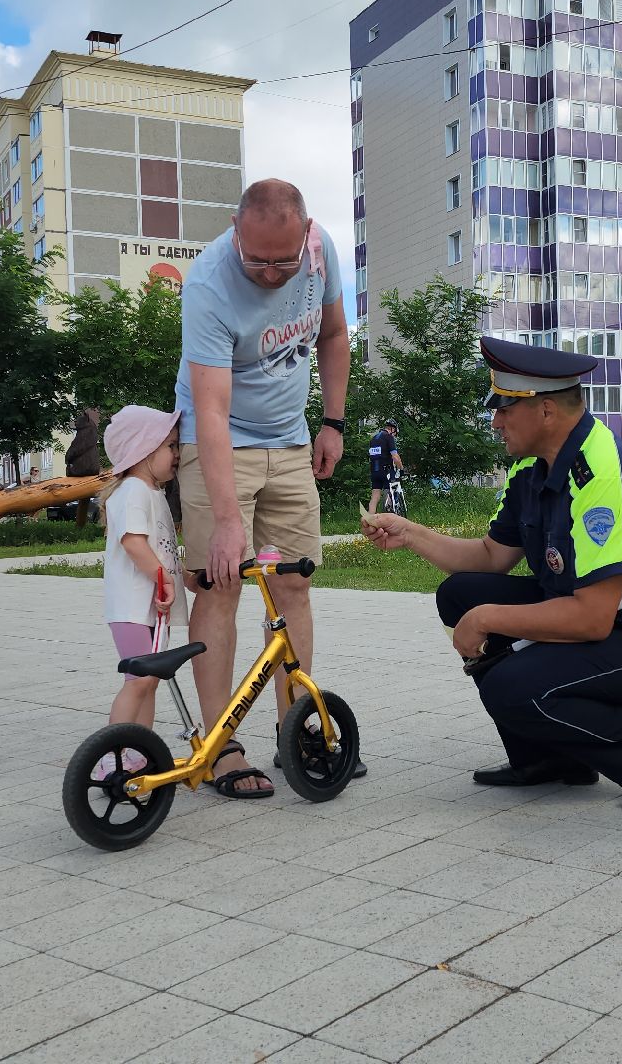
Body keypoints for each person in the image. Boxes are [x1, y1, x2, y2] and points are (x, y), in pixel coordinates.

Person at [361, 338, 622, 810]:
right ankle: (550, 757)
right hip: (607, 620)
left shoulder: (601, 474)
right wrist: (410, 533)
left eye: (505, 408)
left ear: (546, 411)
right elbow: (492, 556)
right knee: (460, 595)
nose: (495, 421)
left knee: (510, 686)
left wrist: (489, 618)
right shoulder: (532, 466)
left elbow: (593, 618)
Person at [173, 178, 357, 797]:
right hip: (220, 447)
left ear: (305, 234)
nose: (273, 272)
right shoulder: (208, 286)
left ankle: (295, 732)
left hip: (290, 444)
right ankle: (220, 745)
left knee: (291, 582)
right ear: (235, 232)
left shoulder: (320, 250)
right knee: (222, 584)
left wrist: (332, 423)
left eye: (283, 259)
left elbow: (333, 335)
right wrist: (228, 520)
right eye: (258, 260)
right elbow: (212, 411)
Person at [94, 405, 189, 781]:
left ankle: (139, 749)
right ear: (144, 451)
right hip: (135, 607)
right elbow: (134, 544)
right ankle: (109, 757)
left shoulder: (151, 493)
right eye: (171, 446)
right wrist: (162, 580)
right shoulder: (134, 490)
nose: (177, 454)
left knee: (149, 683)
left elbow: (161, 548)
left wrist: (180, 577)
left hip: (150, 610)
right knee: (138, 682)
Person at [366, 418, 406, 516]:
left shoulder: (373, 438)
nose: (395, 435)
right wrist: (401, 469)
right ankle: (389, 514)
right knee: (389, 492)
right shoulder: (388, 437)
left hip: (374, 471)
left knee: (374, 497)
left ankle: (369, 520)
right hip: (386, 470)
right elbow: (395, 457)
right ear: (393, 429)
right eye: (395, 433)